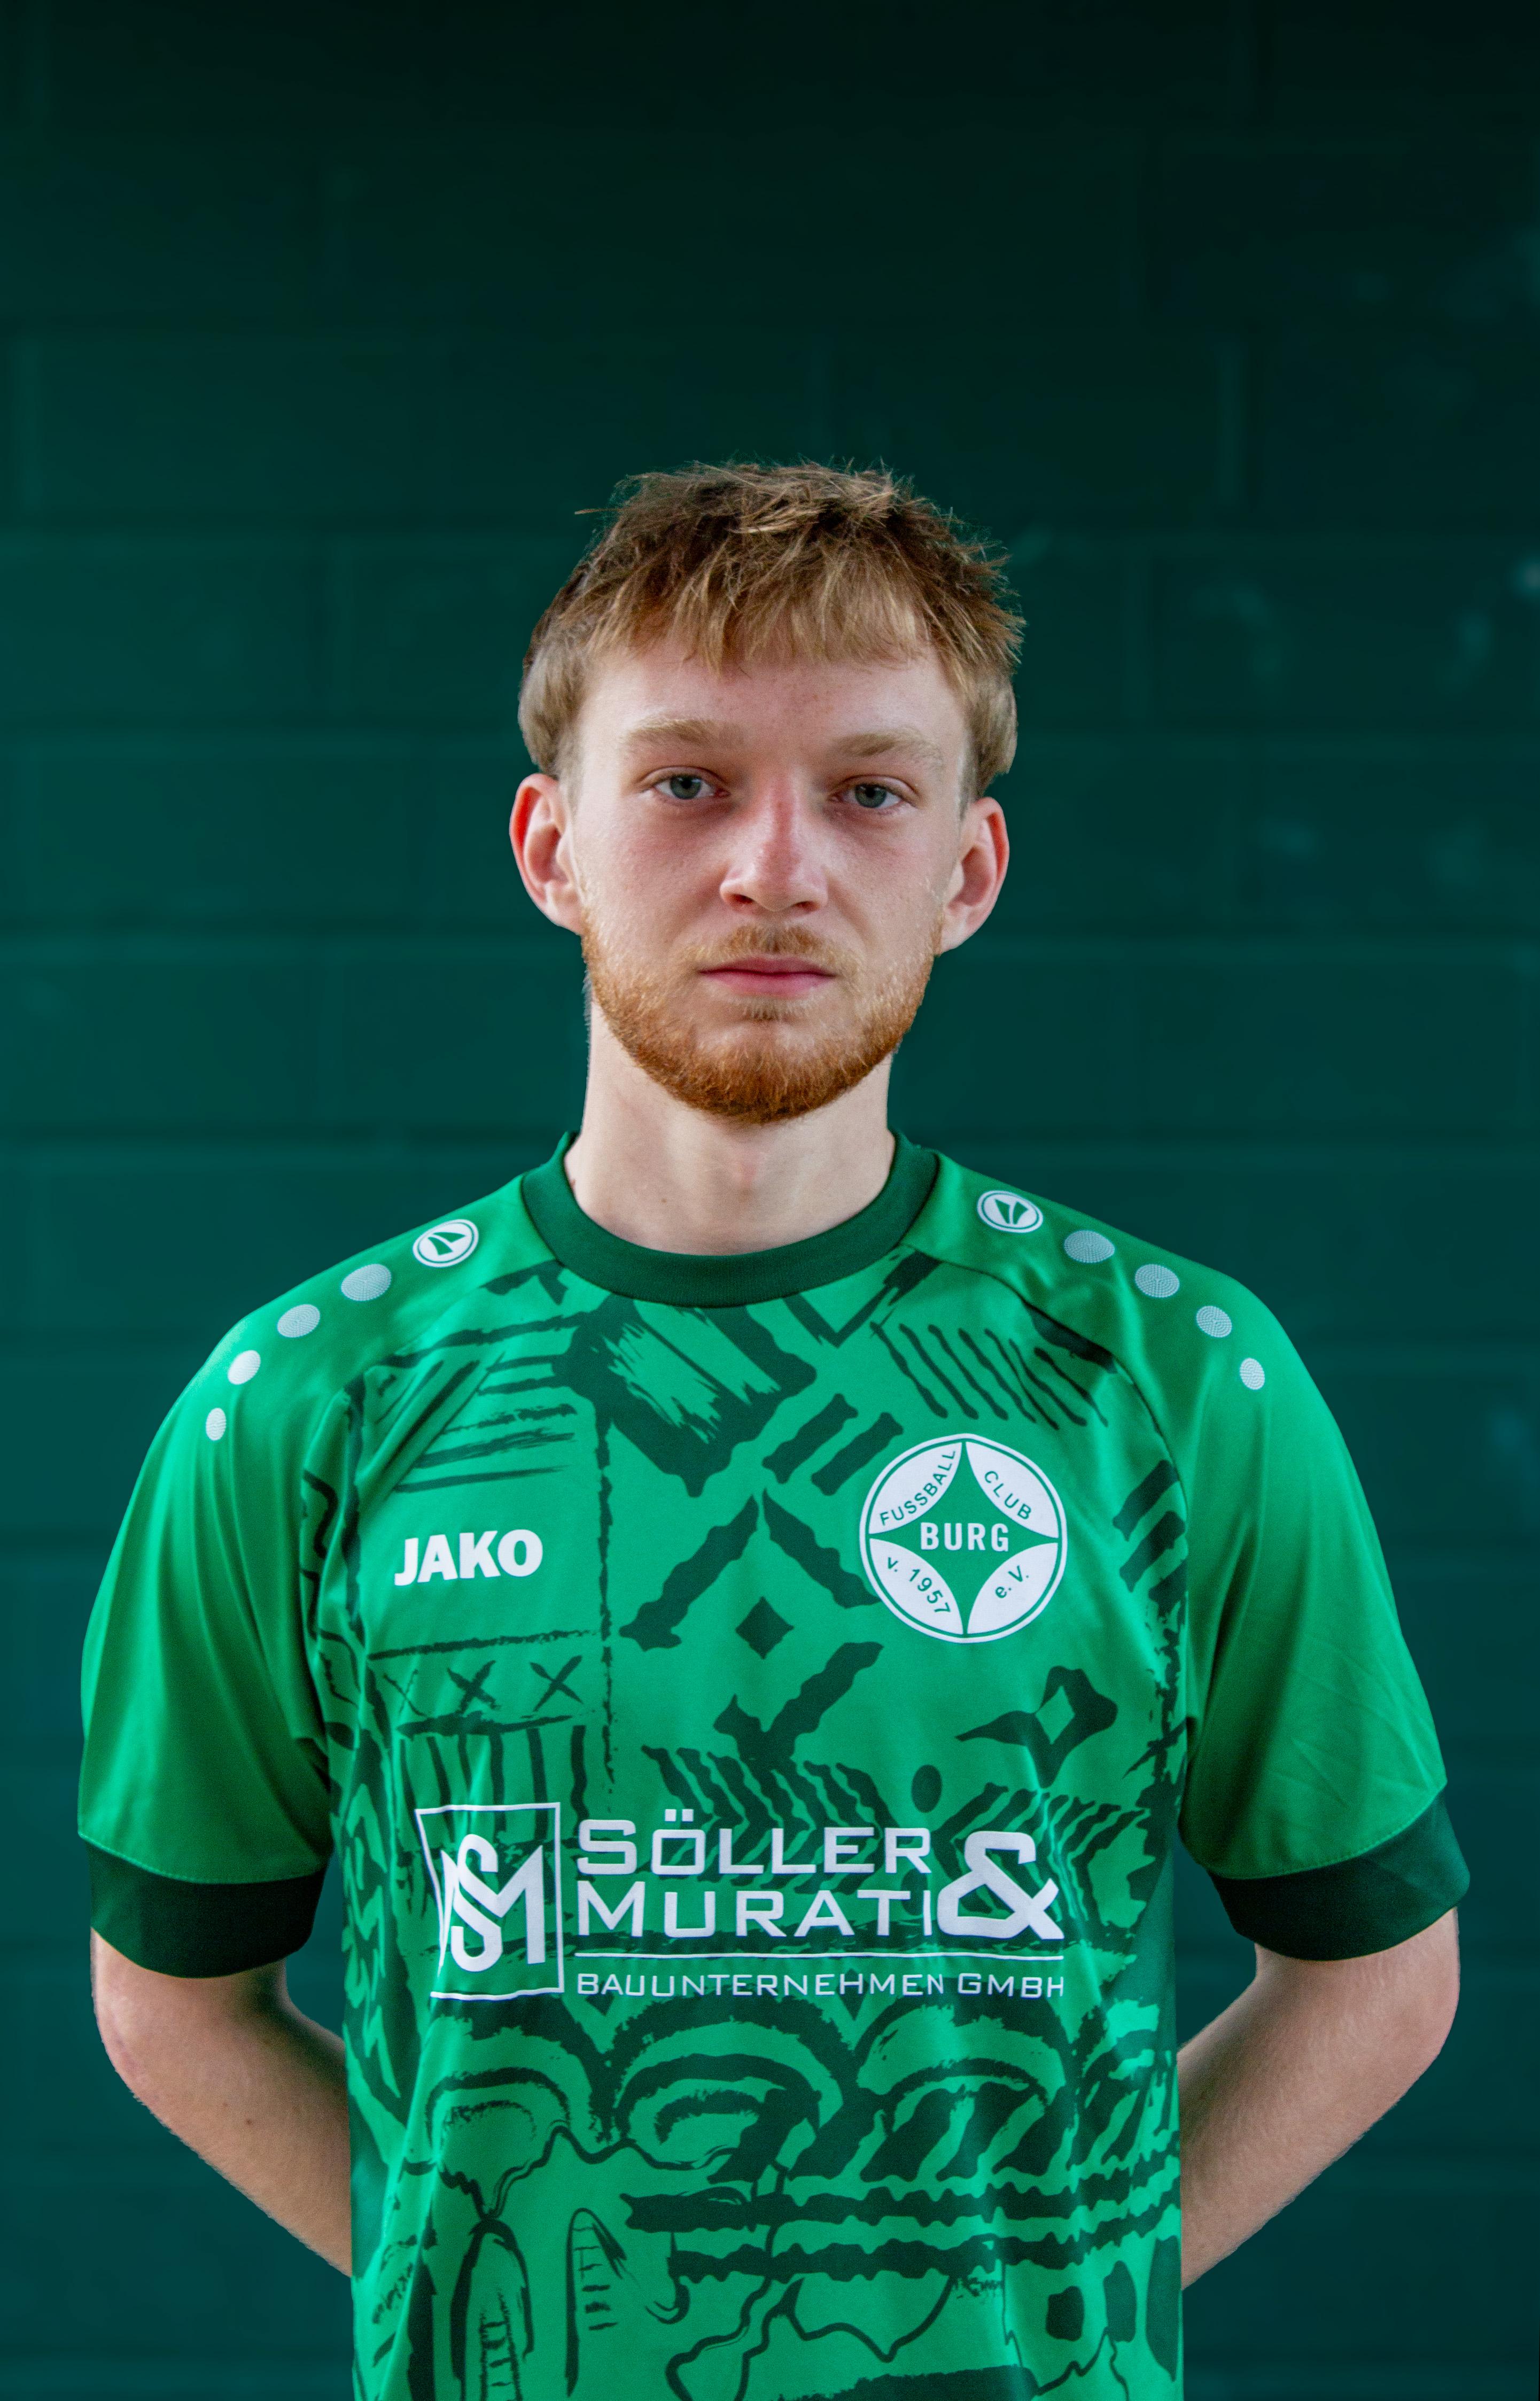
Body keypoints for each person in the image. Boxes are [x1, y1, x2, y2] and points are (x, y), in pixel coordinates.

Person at [81, 463, 1466, 2401]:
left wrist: (1052, 2302)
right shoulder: (306, 1403)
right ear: (550, 846)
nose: (773, 868)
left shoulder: (1173, 1381)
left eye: (870, 792)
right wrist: (487, 2301)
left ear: (966, 871)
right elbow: (173, 2002)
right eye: (686, 783)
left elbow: (1377, 1976)